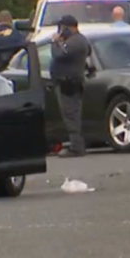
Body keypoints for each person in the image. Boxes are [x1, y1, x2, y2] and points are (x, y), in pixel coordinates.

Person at [50, 15, 92, 158]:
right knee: (71, 114)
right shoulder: (77, 40)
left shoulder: (76, 41)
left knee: (71, 115)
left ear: (69, 27)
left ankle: (76, 147)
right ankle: (76, 144)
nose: (61, 31)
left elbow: (58, 54)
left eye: (62, 28)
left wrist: (55, 42)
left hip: (69, 82)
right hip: (69, 81)